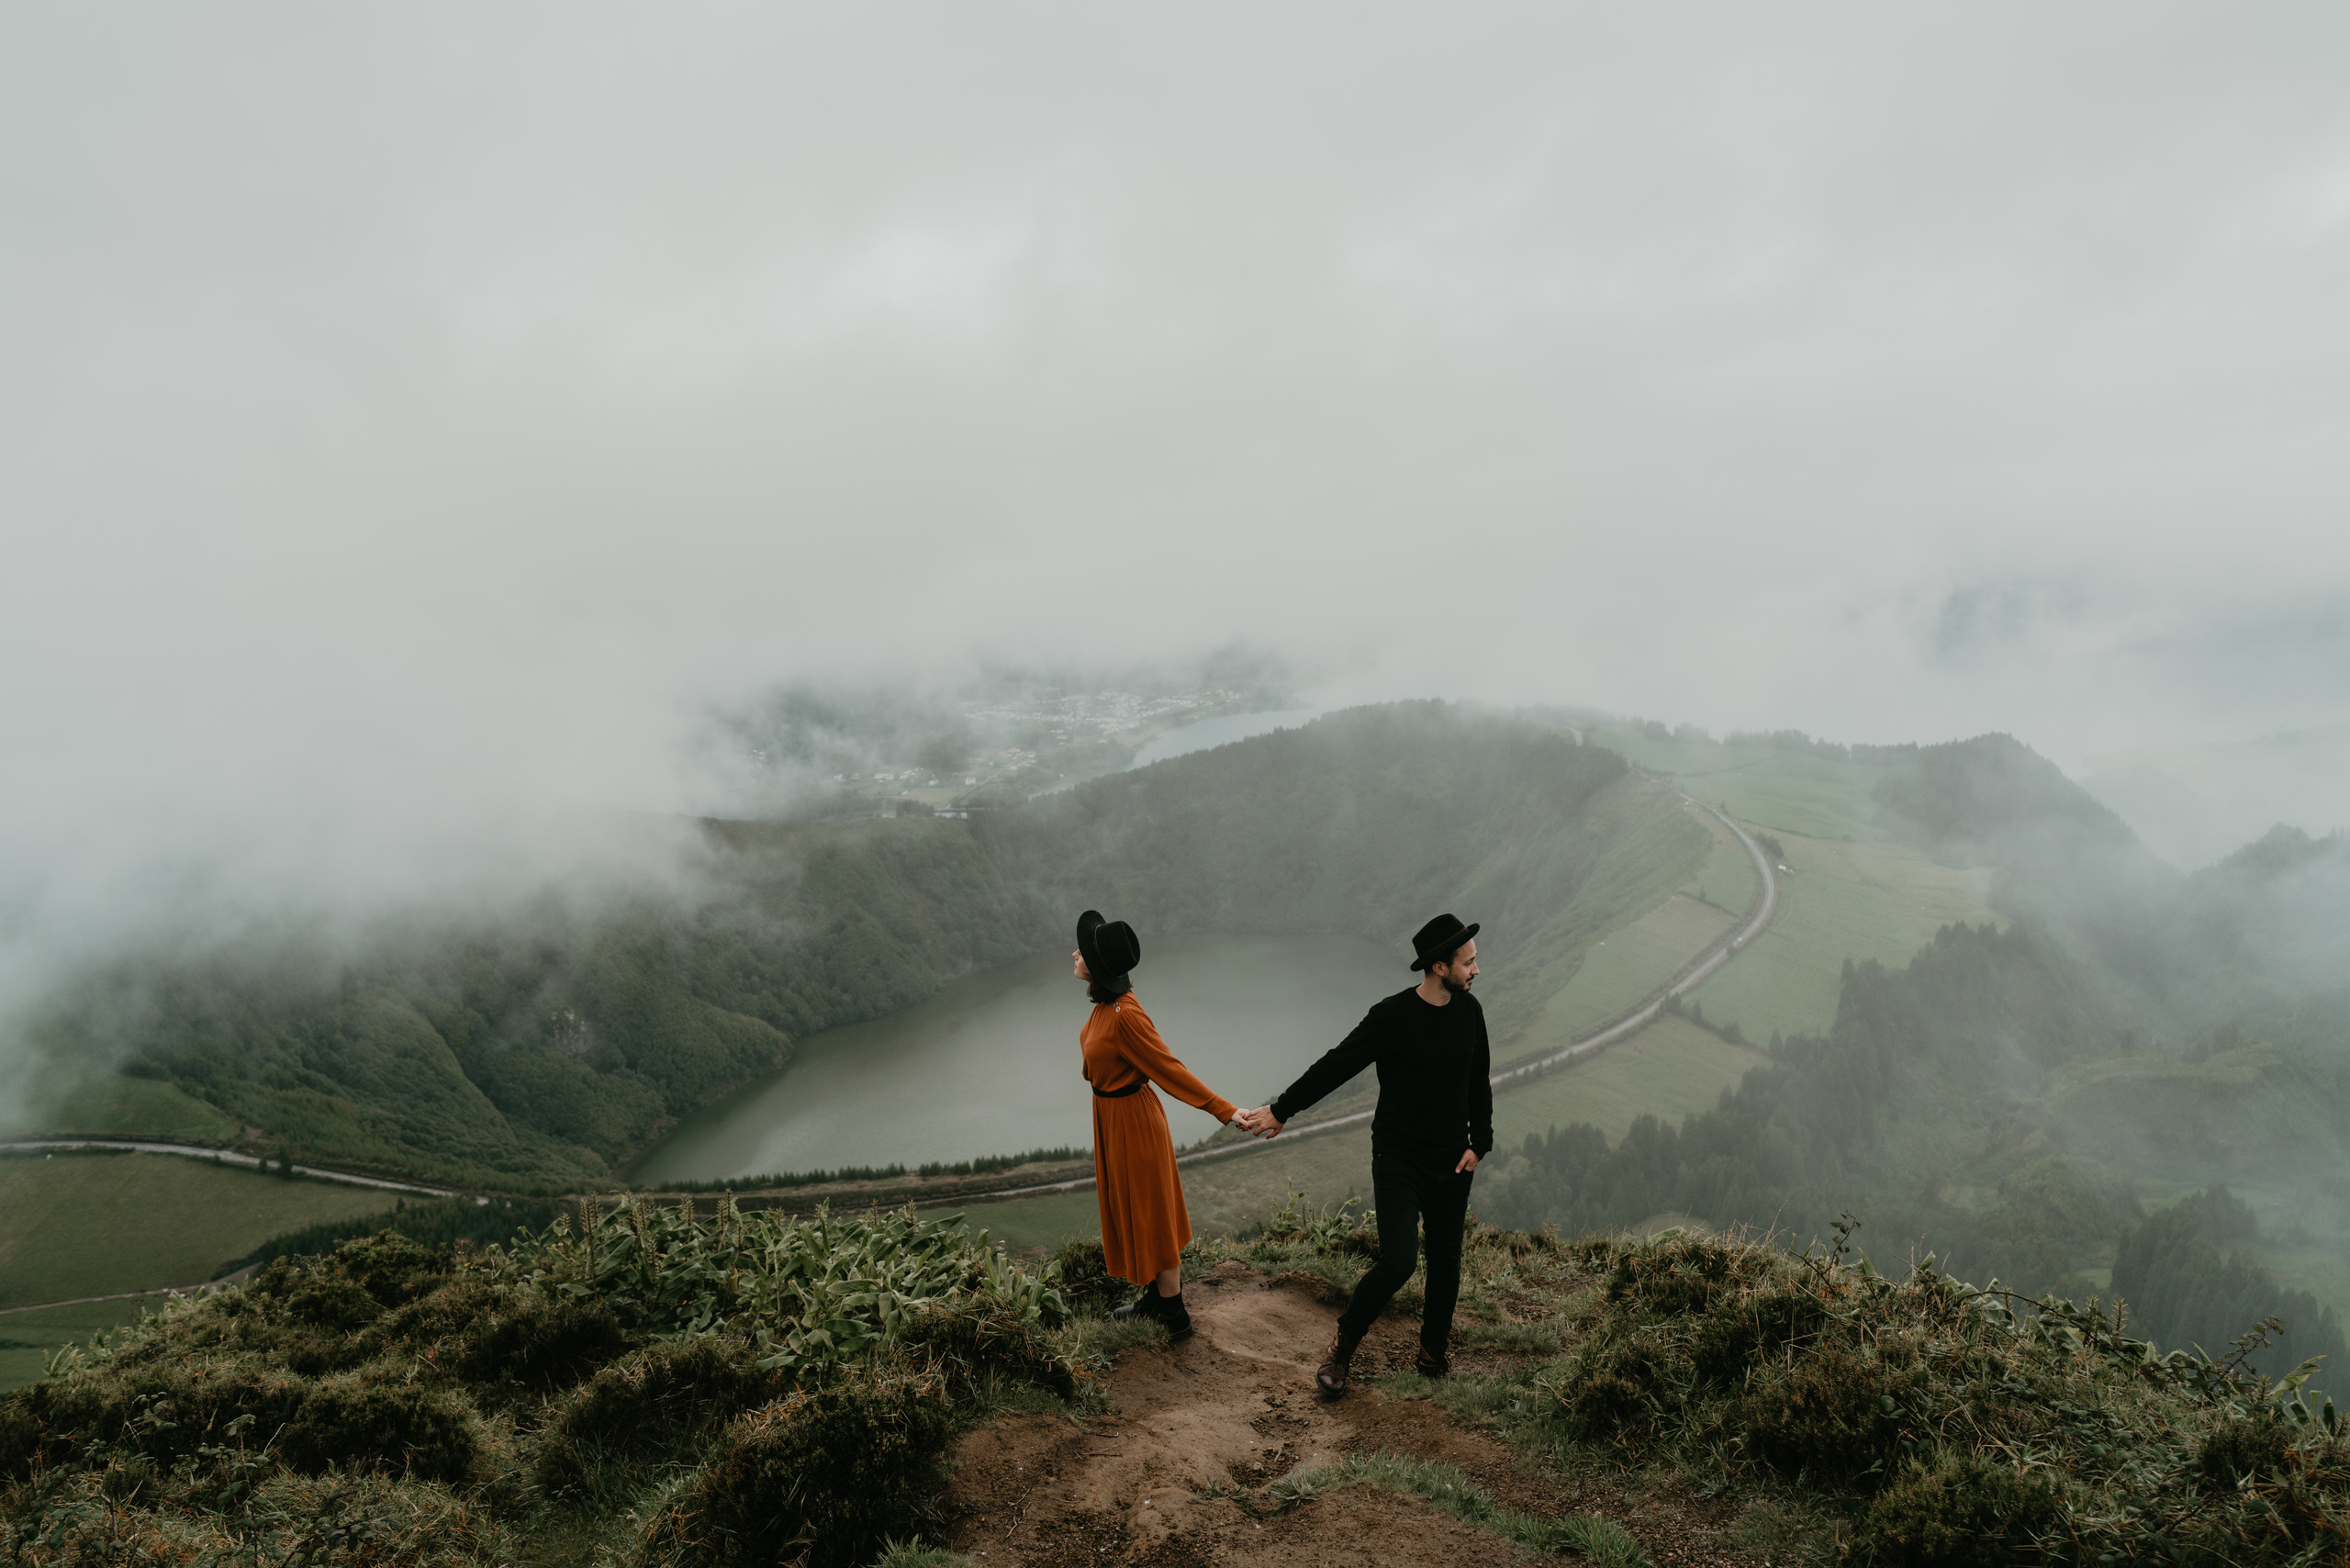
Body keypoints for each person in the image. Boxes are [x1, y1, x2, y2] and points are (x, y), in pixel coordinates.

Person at [1237, 913, 1492, 1394]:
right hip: (1399, 1159)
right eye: (1468, 962)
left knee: (1447, 1262)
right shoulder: (1391, 1017)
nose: (1476, 970)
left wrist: (1481, 1142)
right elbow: (1337, 1064)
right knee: (1399, 1261)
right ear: (1438, 967)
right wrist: (1282, 1108)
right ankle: (1343, 1344)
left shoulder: (1470, 1013)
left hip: (1453, 1161)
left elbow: (1478, 1083)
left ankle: (1432, 1355)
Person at [1075, 908, 1245, 1341]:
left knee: (1152, 1211)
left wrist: (1223, 1109)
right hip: (1114, 1120)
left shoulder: (1125, 1016)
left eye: (1083, 952)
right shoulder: (1108, 1007)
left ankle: (1174, 1313)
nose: (1074, 954)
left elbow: (1169, 1068)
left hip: (1134, 1122)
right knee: (1135, 1207)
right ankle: (1156, 1297)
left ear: (1098, 969)